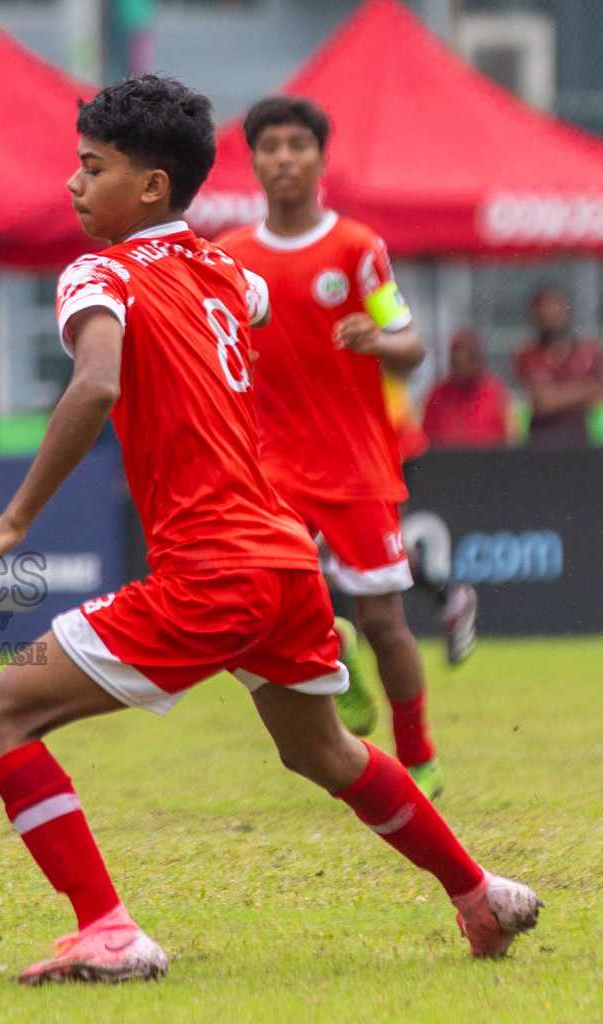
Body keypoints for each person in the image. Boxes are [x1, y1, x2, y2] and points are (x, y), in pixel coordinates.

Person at [0, 74, 540, 986]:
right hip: (284, 559)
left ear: (151, 186)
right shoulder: (227, 267)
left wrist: (12, 520)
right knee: (322, 749)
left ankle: (106, 930)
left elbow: (97, 383)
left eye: (90, 166)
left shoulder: (98, 272)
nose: (72, 183)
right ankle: (479, 894)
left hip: (211, 568)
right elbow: (256, 307)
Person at [217, 97, 466, 797]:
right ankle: (340, 664)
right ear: (255, 161)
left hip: (355, 465)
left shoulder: (358, 251)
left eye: (298, 144)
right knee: (269, 601)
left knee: (385, 618)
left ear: (322, 159)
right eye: (270, 146)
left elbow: (412, 344)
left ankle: (417, 754)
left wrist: (377, 339)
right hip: (268, 468)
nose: (285, 157)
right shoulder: (232, 259)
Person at [514, 284, 603, 448]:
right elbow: (543, 402)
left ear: (567, 310)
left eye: (554, 307)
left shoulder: (589, 350)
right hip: (541, 441)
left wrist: (559, 394)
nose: (548, 314)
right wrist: (585, 390)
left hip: (582, 439)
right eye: (542, 310)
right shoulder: (526, 354)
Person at [423, 329, 514, 449]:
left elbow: (509, 439)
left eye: (466, 359)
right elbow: (427, 440)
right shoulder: (438, 395)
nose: (461, 367)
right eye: (455, 361)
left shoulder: (494, 392)